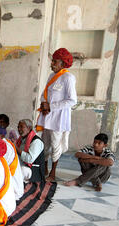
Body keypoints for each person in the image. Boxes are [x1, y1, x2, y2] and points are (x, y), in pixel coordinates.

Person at [36, 48, 77, 182]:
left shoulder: (68, 77)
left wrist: (52, 106)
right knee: (45, 143)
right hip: (47, 116)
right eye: (52, 61)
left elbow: (72, 100)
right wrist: (44, 104)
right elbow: (44, 94)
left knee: (56, 144)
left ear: (63, 63)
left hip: (58, 118)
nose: (51, 64)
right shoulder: (51, 76)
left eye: (54, 61)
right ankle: (45, 168)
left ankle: (53, 172)